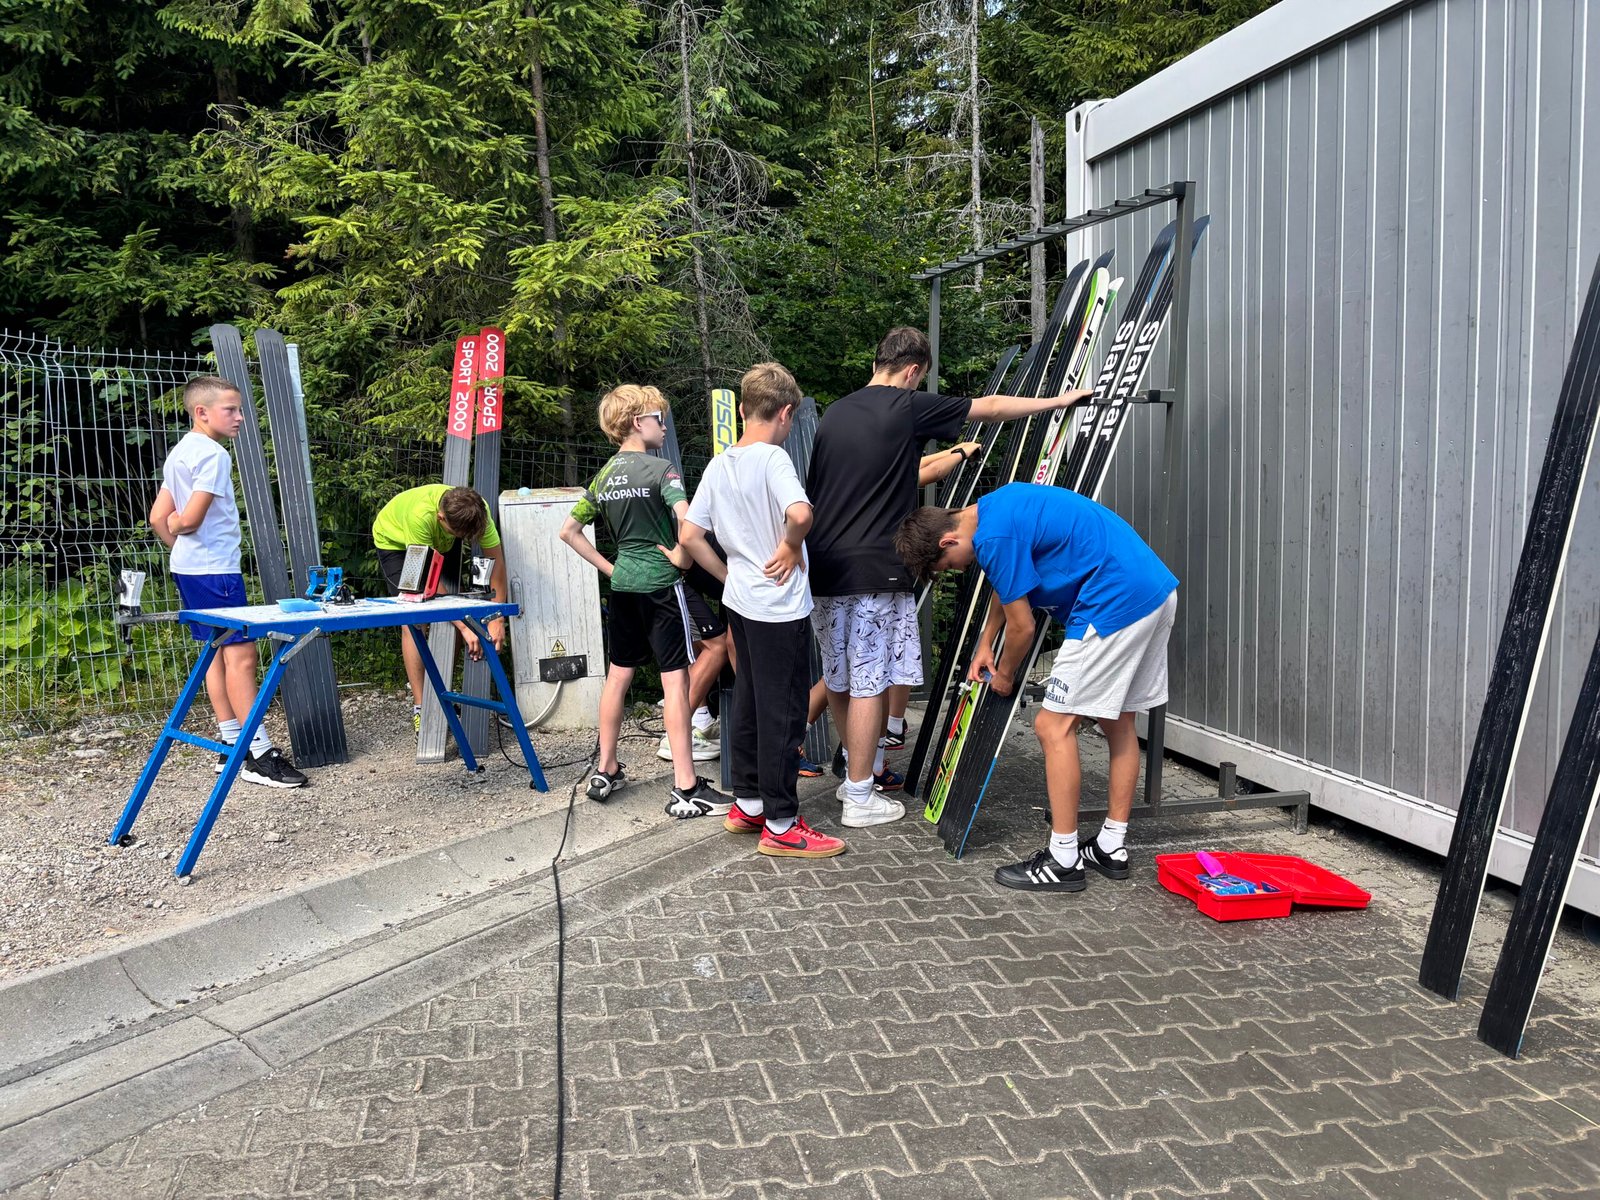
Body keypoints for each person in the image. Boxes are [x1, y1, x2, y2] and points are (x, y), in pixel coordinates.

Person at [805, 327, 1087, 827]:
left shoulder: (836, 414)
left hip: (824, 566)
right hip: (876, 566)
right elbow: (992, 407)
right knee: (870, 679)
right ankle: (860, 795)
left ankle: (855, 776)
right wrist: (1058, 401)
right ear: (913, 371)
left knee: (841, 679)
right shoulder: (904, 405)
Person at [893, 482, 1178, 892]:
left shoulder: (992, 538)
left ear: (947, 541)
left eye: (949, 564)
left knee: (1051, 726)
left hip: (1113, 602)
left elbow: (1024, 627)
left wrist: (1005, 674)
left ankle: (1063, 860)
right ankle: (1110, 847)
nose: (958, 569)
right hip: (1152, 591)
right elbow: (1010, 582)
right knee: (1119, 722)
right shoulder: (993, 510)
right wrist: (986, 643)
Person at [666, 362, 845, 854]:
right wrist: (790, 545)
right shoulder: (773, 459)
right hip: (778, 606)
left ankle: (748, 804)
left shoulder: (720, 464)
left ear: (744, 409)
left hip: (741, 603)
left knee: (747, 699)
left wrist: (728, 575)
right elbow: (800, 514)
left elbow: (690, 535)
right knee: (782, 710)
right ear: (786, 413)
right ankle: (782, 824)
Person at [560, 384, 732, 818]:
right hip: (661, 586)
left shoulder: (604, 476)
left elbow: (568, 531)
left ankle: (606, 768)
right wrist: (683, 556)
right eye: (659, 417)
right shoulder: (661, 470)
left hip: (624, 587)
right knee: (675, 682)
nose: (664, 424)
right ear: (639, 422)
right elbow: (688, 524)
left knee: (618, 677)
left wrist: (612, 569)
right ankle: (687, 788)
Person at [149, 375, 307, 788]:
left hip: (191, 568)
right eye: (231, 410)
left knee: (217, 653)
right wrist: (183, 529)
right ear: (202, 412)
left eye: (240, 410)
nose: (239, 417)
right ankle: (260, 755)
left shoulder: (181, 451)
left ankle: (231, 745)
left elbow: (156, 517)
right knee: (242, 656)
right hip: (215, 570)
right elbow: (186, 519)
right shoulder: (213, 454)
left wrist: (182, 545)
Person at [371, 484, 507, 731]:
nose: (462, 539)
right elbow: (429, 581)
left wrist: (497, 617)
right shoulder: (420, 517)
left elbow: (496, 561)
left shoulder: (479, 511)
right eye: (458, 534)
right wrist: (465, 626)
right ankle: (421, 707)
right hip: (397, 542)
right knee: (414, 619)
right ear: (441, 517)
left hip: (436, 540)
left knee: (459, 608)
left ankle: (442, 695)